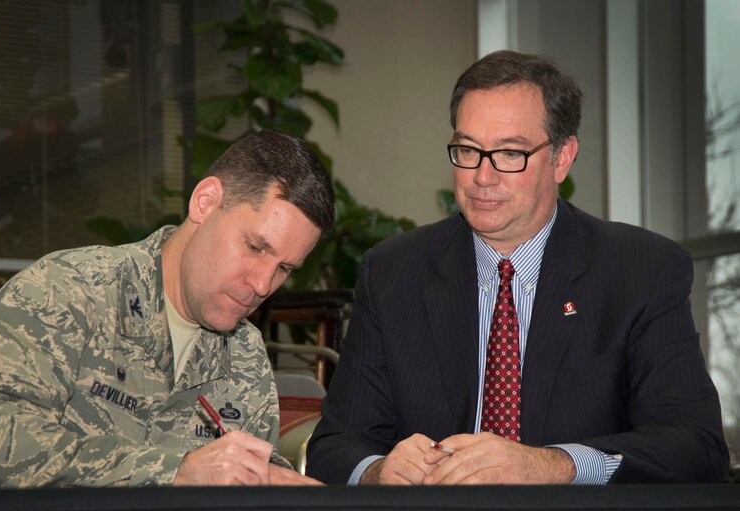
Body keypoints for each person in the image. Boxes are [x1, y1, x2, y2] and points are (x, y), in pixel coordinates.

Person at [306, 50, 729, 485]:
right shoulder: (394, 272)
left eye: (509, 153)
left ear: (562, 158)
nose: (482, 176)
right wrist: (378, 471)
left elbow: (694, 446)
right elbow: (335, 446)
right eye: (468, 150)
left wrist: (554, 465)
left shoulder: (640, 271)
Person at [0, 130, 334, 488]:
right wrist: (173, 472)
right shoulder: (67, 291)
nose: (263, 284)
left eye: (284, 268)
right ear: (206, 202)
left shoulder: (244, 352)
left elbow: (245, 481)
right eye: (255, 247)